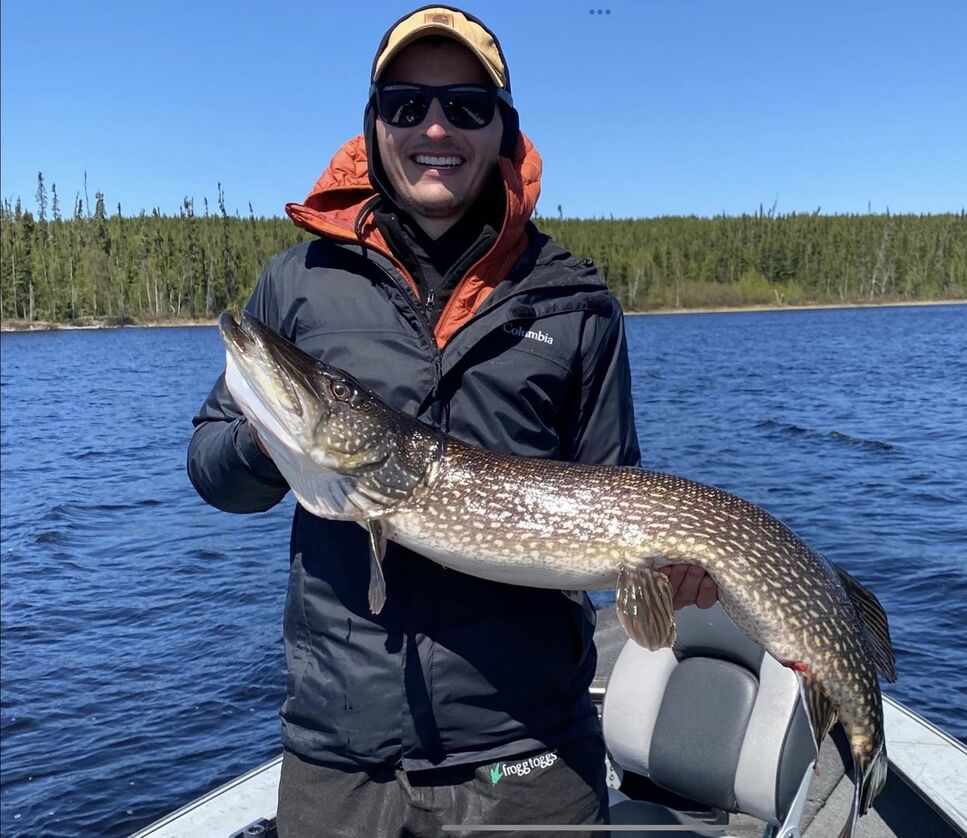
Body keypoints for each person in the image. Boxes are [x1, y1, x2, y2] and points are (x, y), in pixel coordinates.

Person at [187, 6, 717, 835]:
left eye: (466, 107)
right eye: (407, 105)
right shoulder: (299, 282)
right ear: (375, 124)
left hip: (529, 752)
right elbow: (212, 468)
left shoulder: (573, 301)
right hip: (340, 754)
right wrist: (269, 443)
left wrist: (663, 571)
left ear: (503, 129)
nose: (435, 128)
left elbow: (616, 493)